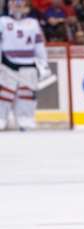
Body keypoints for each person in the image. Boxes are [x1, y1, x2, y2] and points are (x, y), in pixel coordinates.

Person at [0, 0, 52, 131]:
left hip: (29, 63)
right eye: (14, 2)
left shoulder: (33, 23)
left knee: (27, 94)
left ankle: (25, 119)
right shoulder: (2, 21)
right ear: (9, 5)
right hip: (8, 62)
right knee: (5, 93)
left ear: (26, 5)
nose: (18, 5)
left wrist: (43, 62)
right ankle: (1, 118)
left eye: (21, 2)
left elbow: (39, 44)